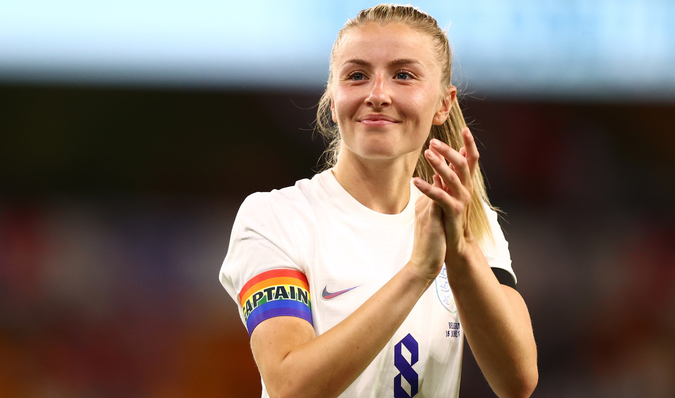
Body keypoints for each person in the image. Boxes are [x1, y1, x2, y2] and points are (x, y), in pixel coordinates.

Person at [219, 4, 537, 398]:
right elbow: (290, 386)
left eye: (403, 75)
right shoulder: (275, 218)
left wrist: (460, 249)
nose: (378, 94)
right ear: (333, 100)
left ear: (444, 103)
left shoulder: (468, 220)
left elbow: (518, 382)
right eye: (357, 76)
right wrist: (417, 271)